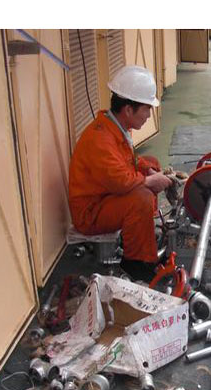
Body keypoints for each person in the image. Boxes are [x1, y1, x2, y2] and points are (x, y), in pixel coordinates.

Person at [68, 65, 172, 281]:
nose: (149, 115)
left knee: (151, 163)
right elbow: (120, 182)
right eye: (146, 109)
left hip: (105, 198)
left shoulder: (114, 127)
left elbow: (128, 162)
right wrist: (150, 180)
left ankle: (141, 234)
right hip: (90, 213)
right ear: (128, 109)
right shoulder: (100, 139)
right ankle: (136, 263)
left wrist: (148, 169)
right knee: (141, 198)